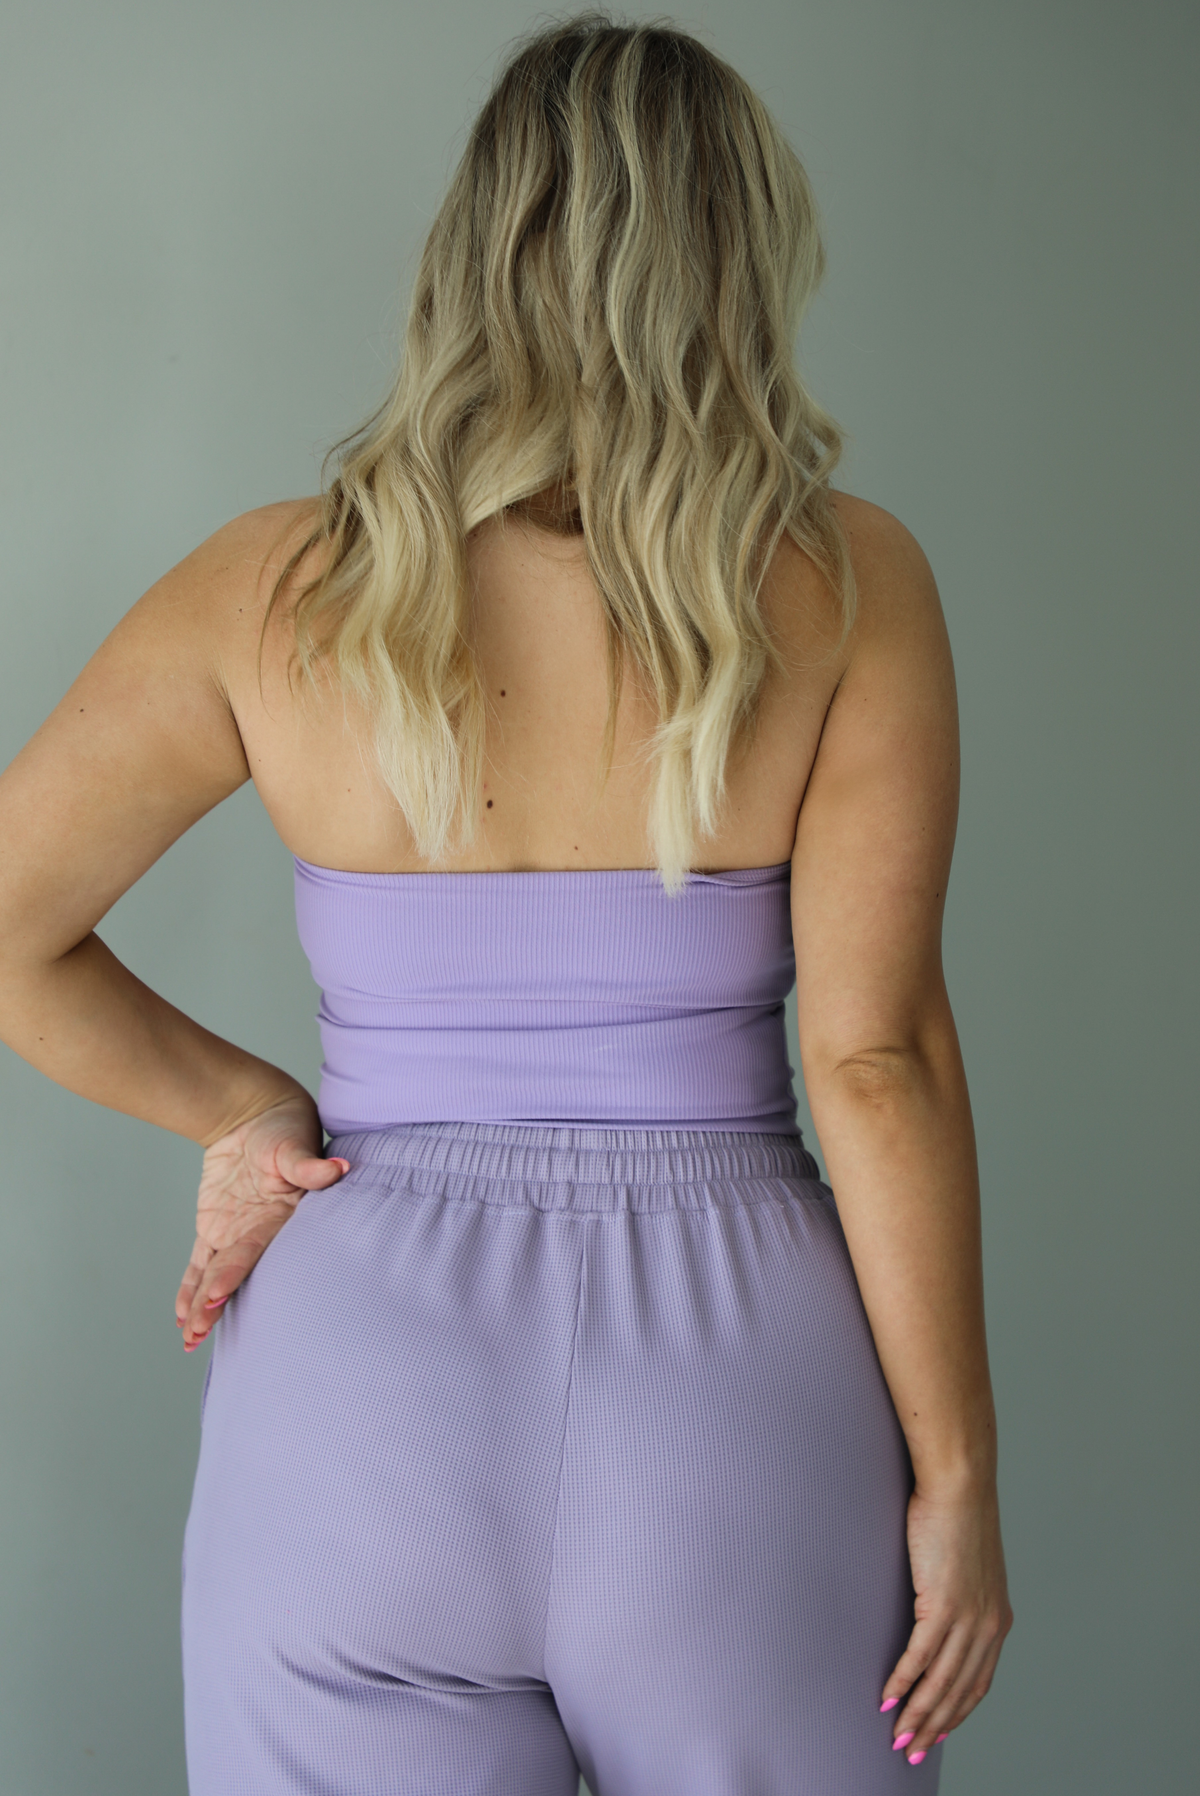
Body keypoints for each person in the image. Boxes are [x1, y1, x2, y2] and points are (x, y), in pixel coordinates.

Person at [0, 13, 1013, 1794]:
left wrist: (246, 1112)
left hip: (360, 1388)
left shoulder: (276, 589)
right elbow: (875, 1065)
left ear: (476, 263)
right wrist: (957, 1483)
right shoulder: (851, 582)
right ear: (740, 261)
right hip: (734, 1397)